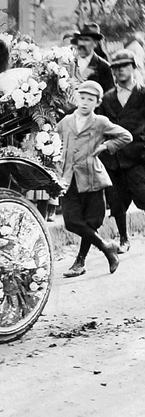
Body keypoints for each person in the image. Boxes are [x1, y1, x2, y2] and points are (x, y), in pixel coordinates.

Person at [56, 81, 131, 277]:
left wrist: (106, 146)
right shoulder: (65, 122)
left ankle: (80, 262)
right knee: (71, 222)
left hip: (92, 179)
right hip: (68, 178)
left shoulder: (100, 122)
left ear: (97, 103)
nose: (85, 103)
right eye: (82, 98)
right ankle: (107, 247)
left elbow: (125, 136)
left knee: (91, 222)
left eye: (90, 100)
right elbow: (53, 140)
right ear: (76, 98)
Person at [96, 49, 145, 254]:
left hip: (138, 156)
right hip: (113, 159)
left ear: (134, 68)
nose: (119, 71)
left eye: (124, 66)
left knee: (143, 196)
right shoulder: (107, 98)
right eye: (115, 68)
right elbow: (99, 126)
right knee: (116, 201)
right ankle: (124, 238)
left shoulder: (142, 94)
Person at [69, 23, 114, 93]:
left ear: (95, 43)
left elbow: (109, 95)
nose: (82, 44)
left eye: (86, 40)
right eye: (80, 39)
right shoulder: (69, 62)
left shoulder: (103, 66)